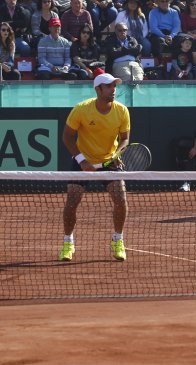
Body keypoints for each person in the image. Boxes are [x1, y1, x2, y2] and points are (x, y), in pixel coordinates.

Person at [59, 72, 130, 262]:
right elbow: (67, 137)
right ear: (98, 90)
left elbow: (124, 139)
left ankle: (118, 240)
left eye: (114, 86)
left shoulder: (122, 110)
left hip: (109, 162)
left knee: (121, 200)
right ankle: (68, 243)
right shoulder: (81, 110)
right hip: (83, 160)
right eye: (109, 86)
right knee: (72, 202)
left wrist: (117, 155)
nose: (113, 90)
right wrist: (82, 161)